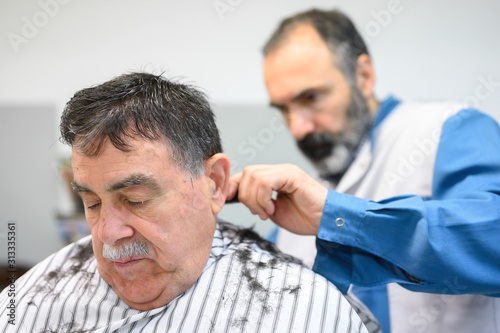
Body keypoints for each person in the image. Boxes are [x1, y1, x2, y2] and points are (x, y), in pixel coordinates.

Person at [0, 72, 379, 333]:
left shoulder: (300, 309)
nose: (108, 234)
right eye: (92, 202)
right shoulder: (34, 298)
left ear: (214, 184)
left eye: (135, 199)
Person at [227, 8, 500, 333]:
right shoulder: (288, 222)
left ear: (364, 76)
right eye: (284, 109)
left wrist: (339, 218)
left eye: (311, 97)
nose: (298, 128)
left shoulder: (446, 129)